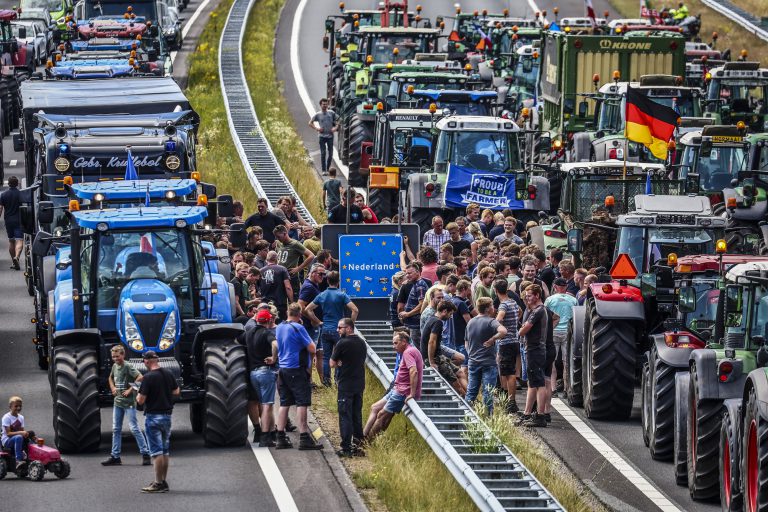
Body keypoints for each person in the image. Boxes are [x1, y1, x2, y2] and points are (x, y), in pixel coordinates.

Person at [274, 303, 322, 450]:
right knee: (302, 403)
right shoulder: (299, 328)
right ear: (299, 314)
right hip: (297, 369)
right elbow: (312, 347)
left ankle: (280, 436)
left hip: (283, 369)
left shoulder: (280, 327)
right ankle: (304, 437)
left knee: (284, 403)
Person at [363, 331, 423, 442]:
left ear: (404, 342)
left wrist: (412, 393)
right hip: (397, 387)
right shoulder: (410, 350)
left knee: (381, 414)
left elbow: (413, 371)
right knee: (375, 407)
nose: (393, 346)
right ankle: (364, 436)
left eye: (396, 343)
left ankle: (367, 443)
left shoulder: (408, 352)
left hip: (402, 391)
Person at [305, 271, 359, 386]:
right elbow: (355, 310)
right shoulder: (342, 295)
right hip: (339, 330)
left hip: (325, 329)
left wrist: (318, 321)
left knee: (326, 357)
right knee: (339, 356)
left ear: (327, 281)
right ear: (338, 282)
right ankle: (337, 380)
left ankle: (326, 382)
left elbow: (308, 309)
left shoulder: (322, 295)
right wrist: (350, 324)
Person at [137, 350, 180, 493]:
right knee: (165, 451)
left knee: (156, 452)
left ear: (147, 361)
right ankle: (163, 481)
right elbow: (176, 392)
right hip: (167, 416)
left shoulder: (148, 378)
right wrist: (166, 399)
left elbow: (141, 400)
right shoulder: (168, 373)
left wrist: (137, 395)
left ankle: (157, 483)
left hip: (153, 417)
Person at [102, 346, 151, 466]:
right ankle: (115, 456)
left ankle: (145, 454)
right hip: (118, 402)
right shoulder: (114, 366)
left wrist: (130, 390)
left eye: (117, 356)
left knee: (134, 428)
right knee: (116, 429)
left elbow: (140, 378)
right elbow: (110, 377)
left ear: (123, 355)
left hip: (129, 403)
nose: (115, 359)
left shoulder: (128, 366)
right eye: (113, 357)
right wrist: (112, 387)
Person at [330, 318, 367, 457]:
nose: (338, 330)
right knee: (357, 414)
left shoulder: (342, 343)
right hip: (359, 384)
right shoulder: (362, 343)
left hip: (346, 384)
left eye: (340, 328)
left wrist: (340, 361)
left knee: (345, 415)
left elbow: (332, 363)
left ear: (349, 328)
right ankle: (358, 445)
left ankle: (346, 447)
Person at [465, 297, 507, 414]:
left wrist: (471, 354)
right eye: (492, 305)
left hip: (473, 361)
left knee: (471, 391)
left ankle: (466, 415)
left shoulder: (471, 322)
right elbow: (503, 331)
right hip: (488, 362)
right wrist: (492, 339)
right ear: (488, 308)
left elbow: (466, 342)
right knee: (487, 392)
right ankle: (488, 417)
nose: (494, 308)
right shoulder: (491, 321)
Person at [244, 309, 279, 447]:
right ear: (269, 320)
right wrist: (273, 358)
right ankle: (265, 436)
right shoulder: (267, 333)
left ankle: (269, 432)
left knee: (260, 402)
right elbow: (275, 344)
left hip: (253, 374)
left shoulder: (248, 333)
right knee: (267, 405)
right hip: (265, 372)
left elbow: (236, 340)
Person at [517, 285, 548, 427]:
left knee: (539, 382)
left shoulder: (538, 311)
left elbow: (524, 330)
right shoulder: (537, 310)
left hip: (535, 349)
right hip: (534, 349)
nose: (526, 298)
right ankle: (527, 413)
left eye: (529, 295)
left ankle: (540, 416)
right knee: (533, 382)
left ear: (537, 295)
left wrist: (521, 329)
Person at [421, 300, 465, 395]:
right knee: (456, 384)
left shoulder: (432, 318)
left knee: (460, 373)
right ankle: (469, 403)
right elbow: (431, 342)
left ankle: (470, 397)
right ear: (444, 311)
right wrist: (431, 362)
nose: (450, 317)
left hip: (439, 356)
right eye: (450, 314)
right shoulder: (438, 322)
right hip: (435, 358)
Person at [544, 278, 578, 393]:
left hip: (553, 331)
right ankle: (566, 388)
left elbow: (546, 316)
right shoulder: (573, 300)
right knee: (566, 361)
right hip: (568, 332)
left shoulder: (549, 300)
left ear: (555, 286)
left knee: (552, 361)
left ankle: (553, 388)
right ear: (566, 287)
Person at [493, 279, 521, 413]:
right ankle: (507, 398)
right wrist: (513, 324)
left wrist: (497, 326)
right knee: (506, 371)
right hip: (514, 339)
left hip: (506, 342)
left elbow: (499, 319)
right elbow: (520, 312)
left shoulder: (503, 305)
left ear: (496, 291)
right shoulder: (513, 302)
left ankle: (511, 401)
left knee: (509, 373)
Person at [298, 264, 326, 383]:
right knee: (311, 354)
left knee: (320, 353)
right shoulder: (308, 287)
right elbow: (300, 305)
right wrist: (314, 320)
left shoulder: (314, 285)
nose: (323, 276)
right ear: (312, 273)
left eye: (324, 274)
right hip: (311, 326)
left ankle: (323, 381)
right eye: (320, 274)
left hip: (316, 326)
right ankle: (308, 381)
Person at [274, 224, 314, 293]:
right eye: (276, 237)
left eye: (279, 237)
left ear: (284, 234)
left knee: (294, 299)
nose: (278, 239)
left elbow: (311, 255)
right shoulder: (279, 244)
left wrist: (298, 268)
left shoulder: (295, 244)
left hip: (291, 277)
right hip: (280, 276)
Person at [398, 262, 430, 345]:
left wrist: (408, 314)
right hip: (413, 325)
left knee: (418, 348)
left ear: (418, 272)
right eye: (406, 273)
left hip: (417, 326)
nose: (407, 275)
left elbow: (422, 304)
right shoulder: (415, 283)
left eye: (410, 273)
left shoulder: (420, 285)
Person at [259, 251, 293, 321]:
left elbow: (258, 288)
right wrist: (291, 302)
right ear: (277, 259)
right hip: (280, 303)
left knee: (265, 324)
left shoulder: (261, 271)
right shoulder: (282, 269)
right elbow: (288, 287)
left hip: (264, 303)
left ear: (266, 260)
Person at [308, 98, 339, 174]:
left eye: (326, 104)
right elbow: (310, 123)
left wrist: (335, 128)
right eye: (323, 104)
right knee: (323, 153)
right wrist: (317, 128)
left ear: (328, 105)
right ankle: (323, 170)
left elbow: (339, 120)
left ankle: (328, 168)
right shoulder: (318, 114)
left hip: (330, 136)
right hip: (322, 136)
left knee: (331, 154)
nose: (325, 106)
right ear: (320, 105)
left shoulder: (331, 113)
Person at [0, 176, 23, 270]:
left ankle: (13, 262)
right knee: (19, 240)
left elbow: (0, 208)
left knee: (11, 240)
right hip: (19, 220)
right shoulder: (21, 194)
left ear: (8, 184)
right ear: (17, 184)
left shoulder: (4, 195)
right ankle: (17, 257)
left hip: (8, 220)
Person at [2, 396, 29, 471]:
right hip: (7, 441)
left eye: (20, 406)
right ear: (10, 406)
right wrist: (21, 433)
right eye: (16, 406)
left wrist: (27, 434)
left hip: (17, 438)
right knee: (19, 437)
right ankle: (18, 460)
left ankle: (29, 456)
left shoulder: (21, 417)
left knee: (28, 436)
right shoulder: (6, 417)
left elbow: (22, 431)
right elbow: (8, 433)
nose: (18, 408)